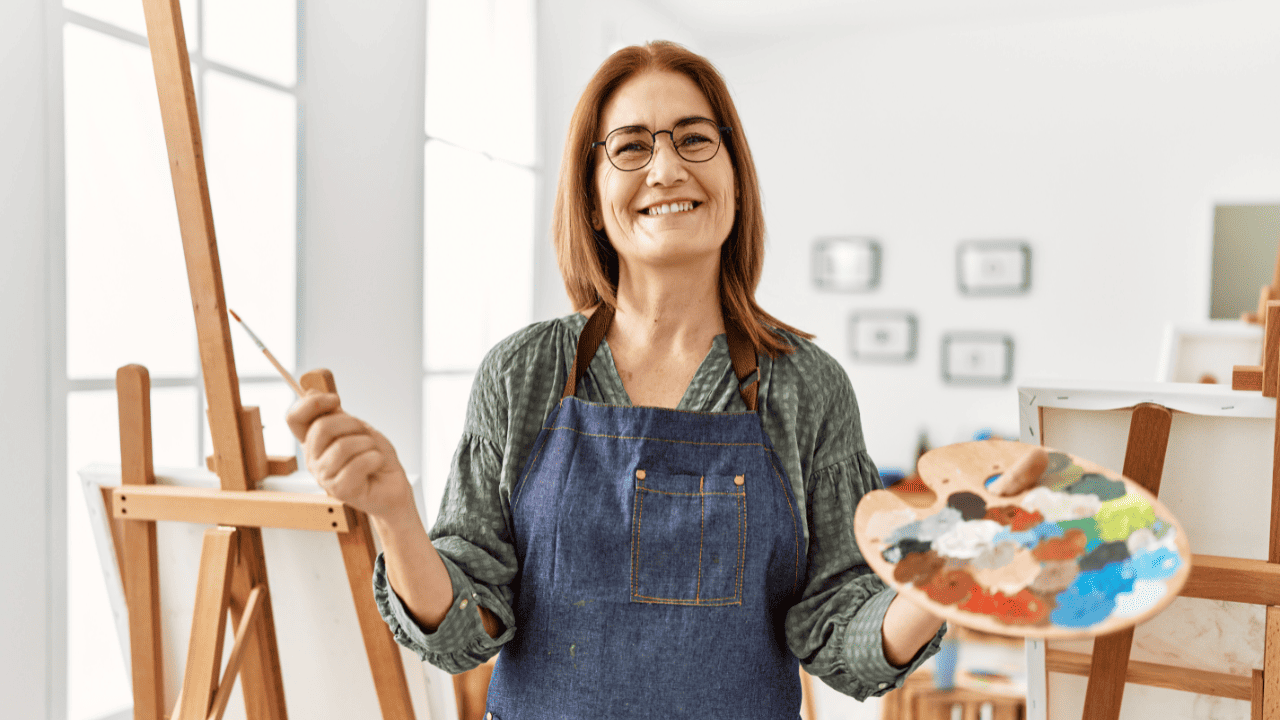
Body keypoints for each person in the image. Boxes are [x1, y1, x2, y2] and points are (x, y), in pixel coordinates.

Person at [287, 40, 946, 719]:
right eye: (632, 147)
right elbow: (462, 637)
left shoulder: (806, 387)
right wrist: (394, 514)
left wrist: (949, 582)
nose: (666, 168)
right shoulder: (523, 374)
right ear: (594, 200)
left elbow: (844, 641)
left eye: (694, 139)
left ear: (736, 180)